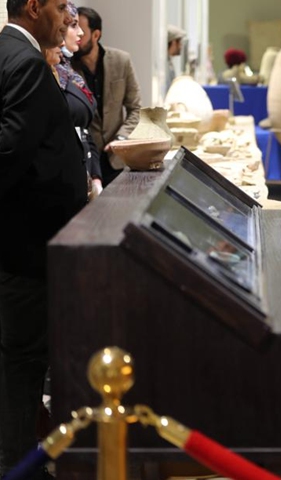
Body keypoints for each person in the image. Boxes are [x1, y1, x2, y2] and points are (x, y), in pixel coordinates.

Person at [0, 0, 88, 476]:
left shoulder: (8, 51)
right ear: (33, 7)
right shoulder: (28, 63)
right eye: (58, 6)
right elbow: (10, 152)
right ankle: (18, 469)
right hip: (28, 247)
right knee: (23, 366)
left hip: (24, 242)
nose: (67, 17)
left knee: (21, 364)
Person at [72, 7, 141, 187]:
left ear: (96, 35)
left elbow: (136, 109)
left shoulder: (121, 60)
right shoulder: (67, 67)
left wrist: (121, 138)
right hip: (86, 160)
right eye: (73, 28)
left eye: (81, 31)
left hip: (118, 158)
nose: (77, 35)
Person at [53, 1, 101, 198]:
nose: (80, 33)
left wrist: (96, 174)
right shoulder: (53, 71)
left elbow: (85, 130)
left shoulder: (69, 70)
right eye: (73, 25)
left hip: (85, 168)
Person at [166, 24, 186, 92]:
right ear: (174, 42)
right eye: (180, 42)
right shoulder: (165, 66)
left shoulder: (169, 62)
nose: (181, 46)